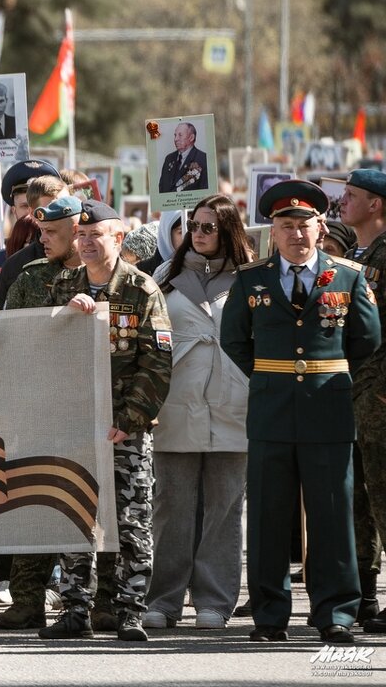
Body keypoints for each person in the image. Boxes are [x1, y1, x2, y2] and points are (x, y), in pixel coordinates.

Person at [221, 179, 380, 644]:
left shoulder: (349, 277)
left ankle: (336, 614)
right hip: (271, 411)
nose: (296, 234)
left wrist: (324, 374)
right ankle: (270, 617)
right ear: (273, 232)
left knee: (333, 514)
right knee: (269, 517)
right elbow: (234, 339)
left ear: (320, 226)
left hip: (328, 408)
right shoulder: (252, 279)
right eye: (286, 226)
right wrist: (268, 376)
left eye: (304, 224)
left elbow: (367, 340)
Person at [40, 200, 172, 643]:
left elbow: (157, 361)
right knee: (73, 516)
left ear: (118, 238)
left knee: (132, 522)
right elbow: (37, 348)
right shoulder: (63, 286)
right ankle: (74, 608)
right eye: (81, 235)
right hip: (73, 425)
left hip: (124, 429)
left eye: (96, 235)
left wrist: (130, 419)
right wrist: (62, 320)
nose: (86, 242)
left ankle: (129, 611)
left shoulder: (142, 289)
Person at [144, 195, 253, 631]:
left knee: (225, 508)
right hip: (176, 403)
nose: (200, 234)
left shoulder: (251, 277)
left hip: (234, 402)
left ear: (228, 230)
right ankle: (164, 599)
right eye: (195, 226)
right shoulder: (163, 276)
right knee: (171, 506)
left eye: (210, 227)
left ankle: (215, 600)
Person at [0, 195, 82, 631]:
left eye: (52, 233)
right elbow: (11, 339)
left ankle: (92, 602)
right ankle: (27, 599)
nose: (42, 240)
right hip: (38, 407)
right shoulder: (30, 277)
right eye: (41, 232)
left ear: (77, 230)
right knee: (34, 504)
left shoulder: (101, 275)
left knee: (86, 507)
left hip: (86, 410)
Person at [336, 170, 386, 633]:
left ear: (376, 205)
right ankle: (365, 595)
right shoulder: (356, 254)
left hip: (380, 395)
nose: (341, 201)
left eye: (351, 196)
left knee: (383, 492)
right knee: (362, 498)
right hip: (356, 393)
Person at [0, 170, 69, 310]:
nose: (61, 214)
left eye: (66, 207)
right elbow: (6, 324)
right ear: (33, 215)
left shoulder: (91, 254)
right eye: (50, 209)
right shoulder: (15, 267)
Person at [157, 122, 209, 194]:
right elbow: (161, 188)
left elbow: (205, 191)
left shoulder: (203, 159)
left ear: (191, 137)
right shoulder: (169, 159)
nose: (176, 139)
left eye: (180, 135)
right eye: (175, 135)